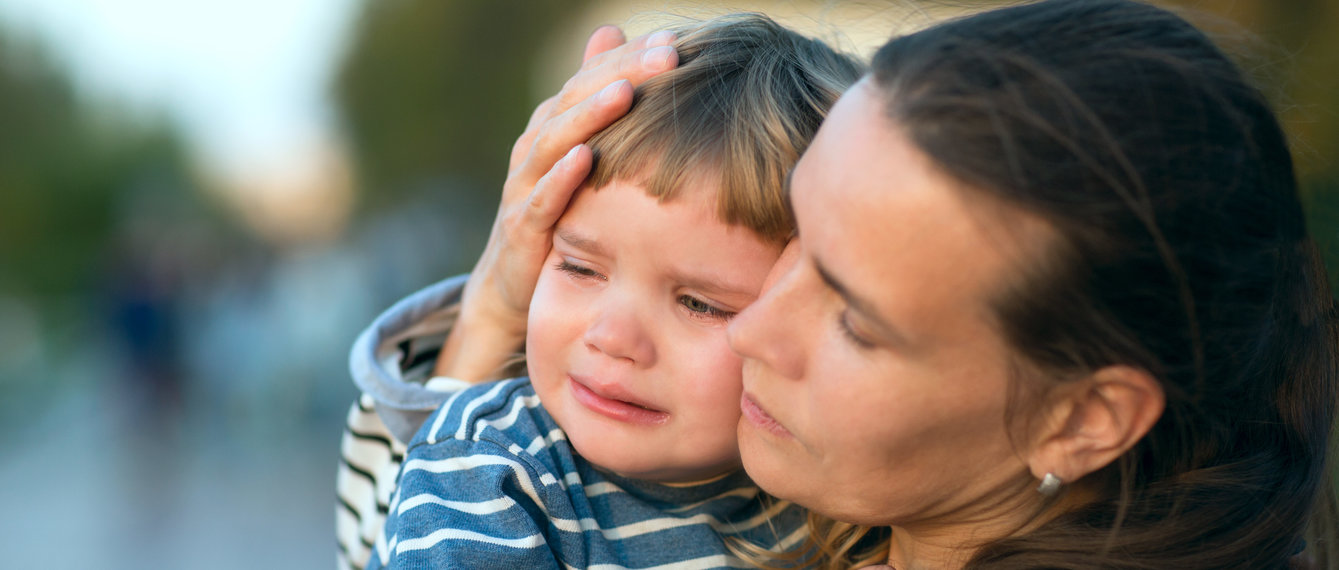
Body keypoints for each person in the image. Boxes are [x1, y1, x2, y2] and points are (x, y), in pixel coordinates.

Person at [433, 0, 1339, 568]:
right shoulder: (816, 512)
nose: (749, 332)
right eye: (794, 247)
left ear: (1081, 419)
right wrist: (491, 315)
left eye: (856, 322)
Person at [335, 14, 864, 569]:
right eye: (581, 269)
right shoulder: (490, 472)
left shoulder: (848, 502)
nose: (613, 337)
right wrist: (488, 319)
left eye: (701, 304)